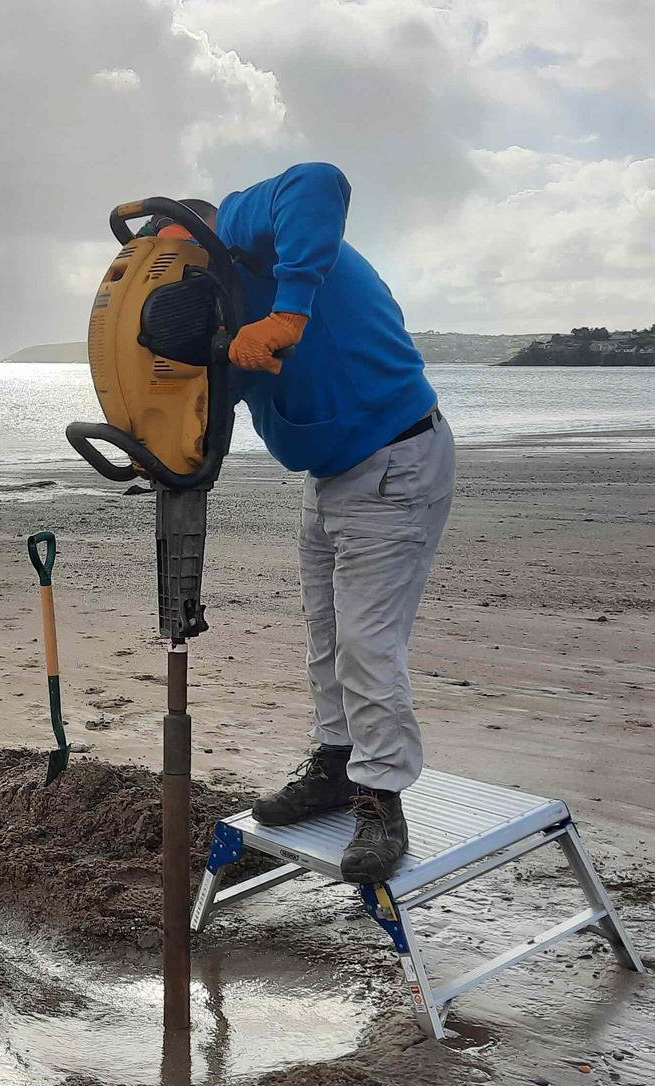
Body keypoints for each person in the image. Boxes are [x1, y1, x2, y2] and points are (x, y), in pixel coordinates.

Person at [160, 163, 452, 882]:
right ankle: (336, 762)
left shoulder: (241, 222)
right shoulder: (209, 310)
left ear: (202, 246)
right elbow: (206, 405)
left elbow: (320, 182)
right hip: (331, 476)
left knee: (366, 642)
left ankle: (381, 795)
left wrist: (290, 311)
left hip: (395, 456)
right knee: (325, 633)